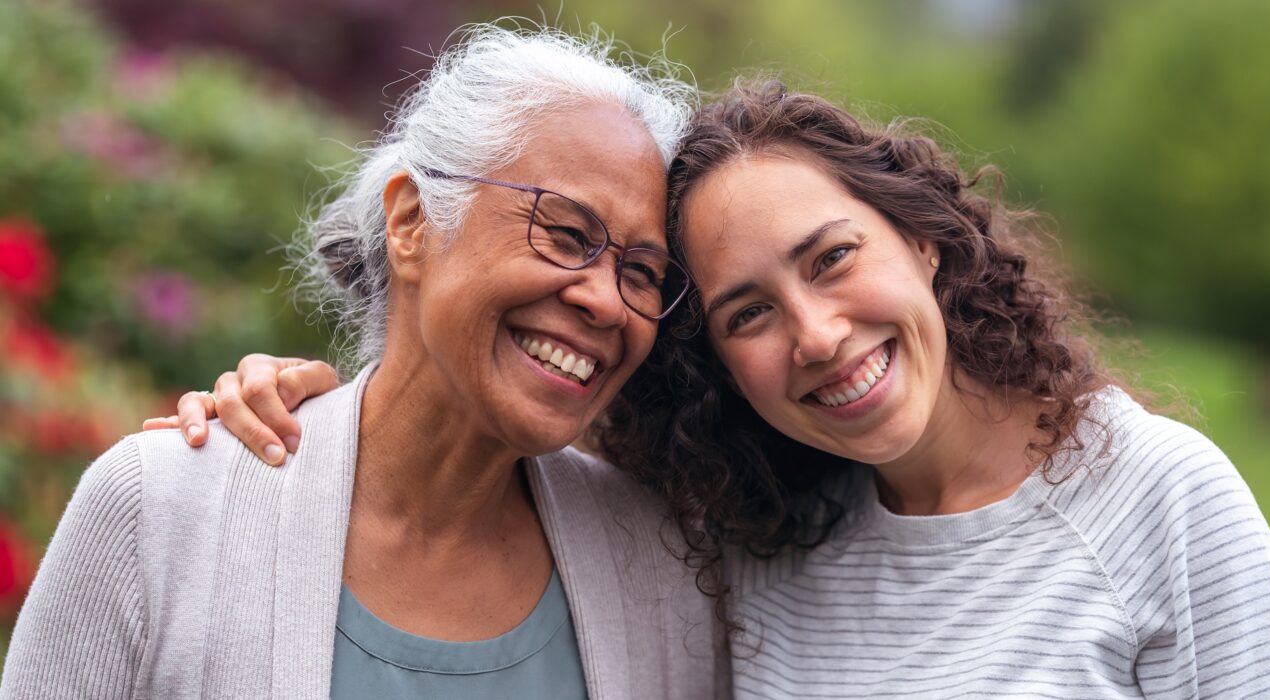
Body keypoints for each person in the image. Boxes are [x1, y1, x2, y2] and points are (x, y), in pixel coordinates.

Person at [154, 82, 1270, 697]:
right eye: (746, 314)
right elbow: (504, 409)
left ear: (920, 240)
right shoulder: (753, 534)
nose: (816, 336)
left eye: (831, 259)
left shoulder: (1156, 501)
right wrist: (297, 404)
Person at [1, 25, 728, 699]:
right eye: (567, 234)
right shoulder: (161, 512)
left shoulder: (662, 570)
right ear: (411, 221)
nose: (606, 301)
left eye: (642, 273)